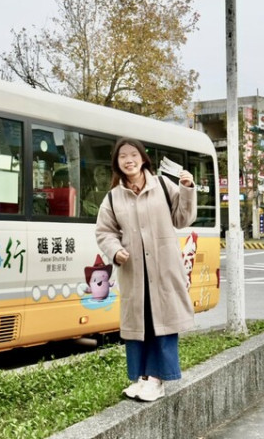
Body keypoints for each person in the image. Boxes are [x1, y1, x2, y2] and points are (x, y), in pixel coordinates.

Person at [95, 137, 196, 402]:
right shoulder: (113, 197)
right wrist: (115, 250)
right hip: (134, 271)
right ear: (117, 163)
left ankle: (157, 379)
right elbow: (104, 232)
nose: (129, 160)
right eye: (122, 157)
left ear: (143, 158)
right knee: (138, 325)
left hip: (164, 269)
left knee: (161, 323)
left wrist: (186, 189)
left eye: (133, 155)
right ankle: (141, 378)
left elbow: (182, 219)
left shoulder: (163, 185)